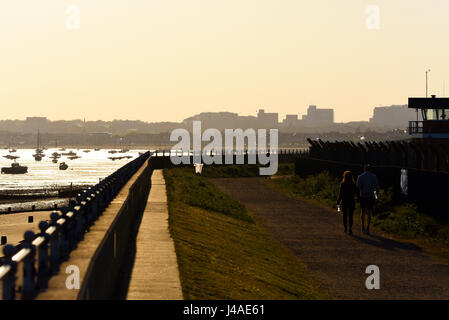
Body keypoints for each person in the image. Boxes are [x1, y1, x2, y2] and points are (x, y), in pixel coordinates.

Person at [356, 164, 379, 235]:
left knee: (362, 211)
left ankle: (363, 226)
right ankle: (368, 228)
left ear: (364, 169)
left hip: (363, 196)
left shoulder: (360, 177)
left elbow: (358, 188)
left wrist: (358, 197)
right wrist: (376, 196)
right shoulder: (374, 177)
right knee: (369, 212)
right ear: (370, 169)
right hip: (371, 196)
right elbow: (376, 188)